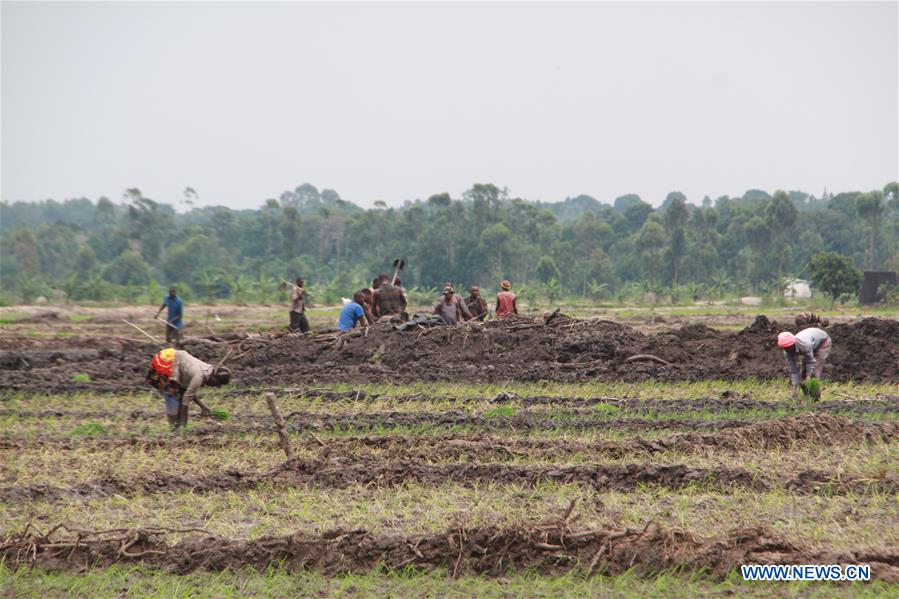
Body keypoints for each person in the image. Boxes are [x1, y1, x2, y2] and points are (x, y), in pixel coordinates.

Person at [145, 348, 231, 428]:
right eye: (217, 384)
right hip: (167, 361)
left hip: (177, 360)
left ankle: (177, 427)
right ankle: (175, 429)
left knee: (181, 392)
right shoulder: (199, 376)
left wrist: (203, 407)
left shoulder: (207, 370)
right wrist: (184, 425)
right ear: (214, 378)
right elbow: (186, 401)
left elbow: (190, 391)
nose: (215, 386)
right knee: (172, 393)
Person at [777, 327, 832, 399]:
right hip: (810, 343)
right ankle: (806, 396)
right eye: (785, 348)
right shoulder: (786, 351)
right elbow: (794, 371)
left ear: (793, 344)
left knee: (814, 372)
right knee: (803, 373)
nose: (787, 350)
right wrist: (794, 390)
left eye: (789, 347)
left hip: (823, 342)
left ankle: (815, 398)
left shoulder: (804, 345)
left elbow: (811, 362)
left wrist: (809, 377)